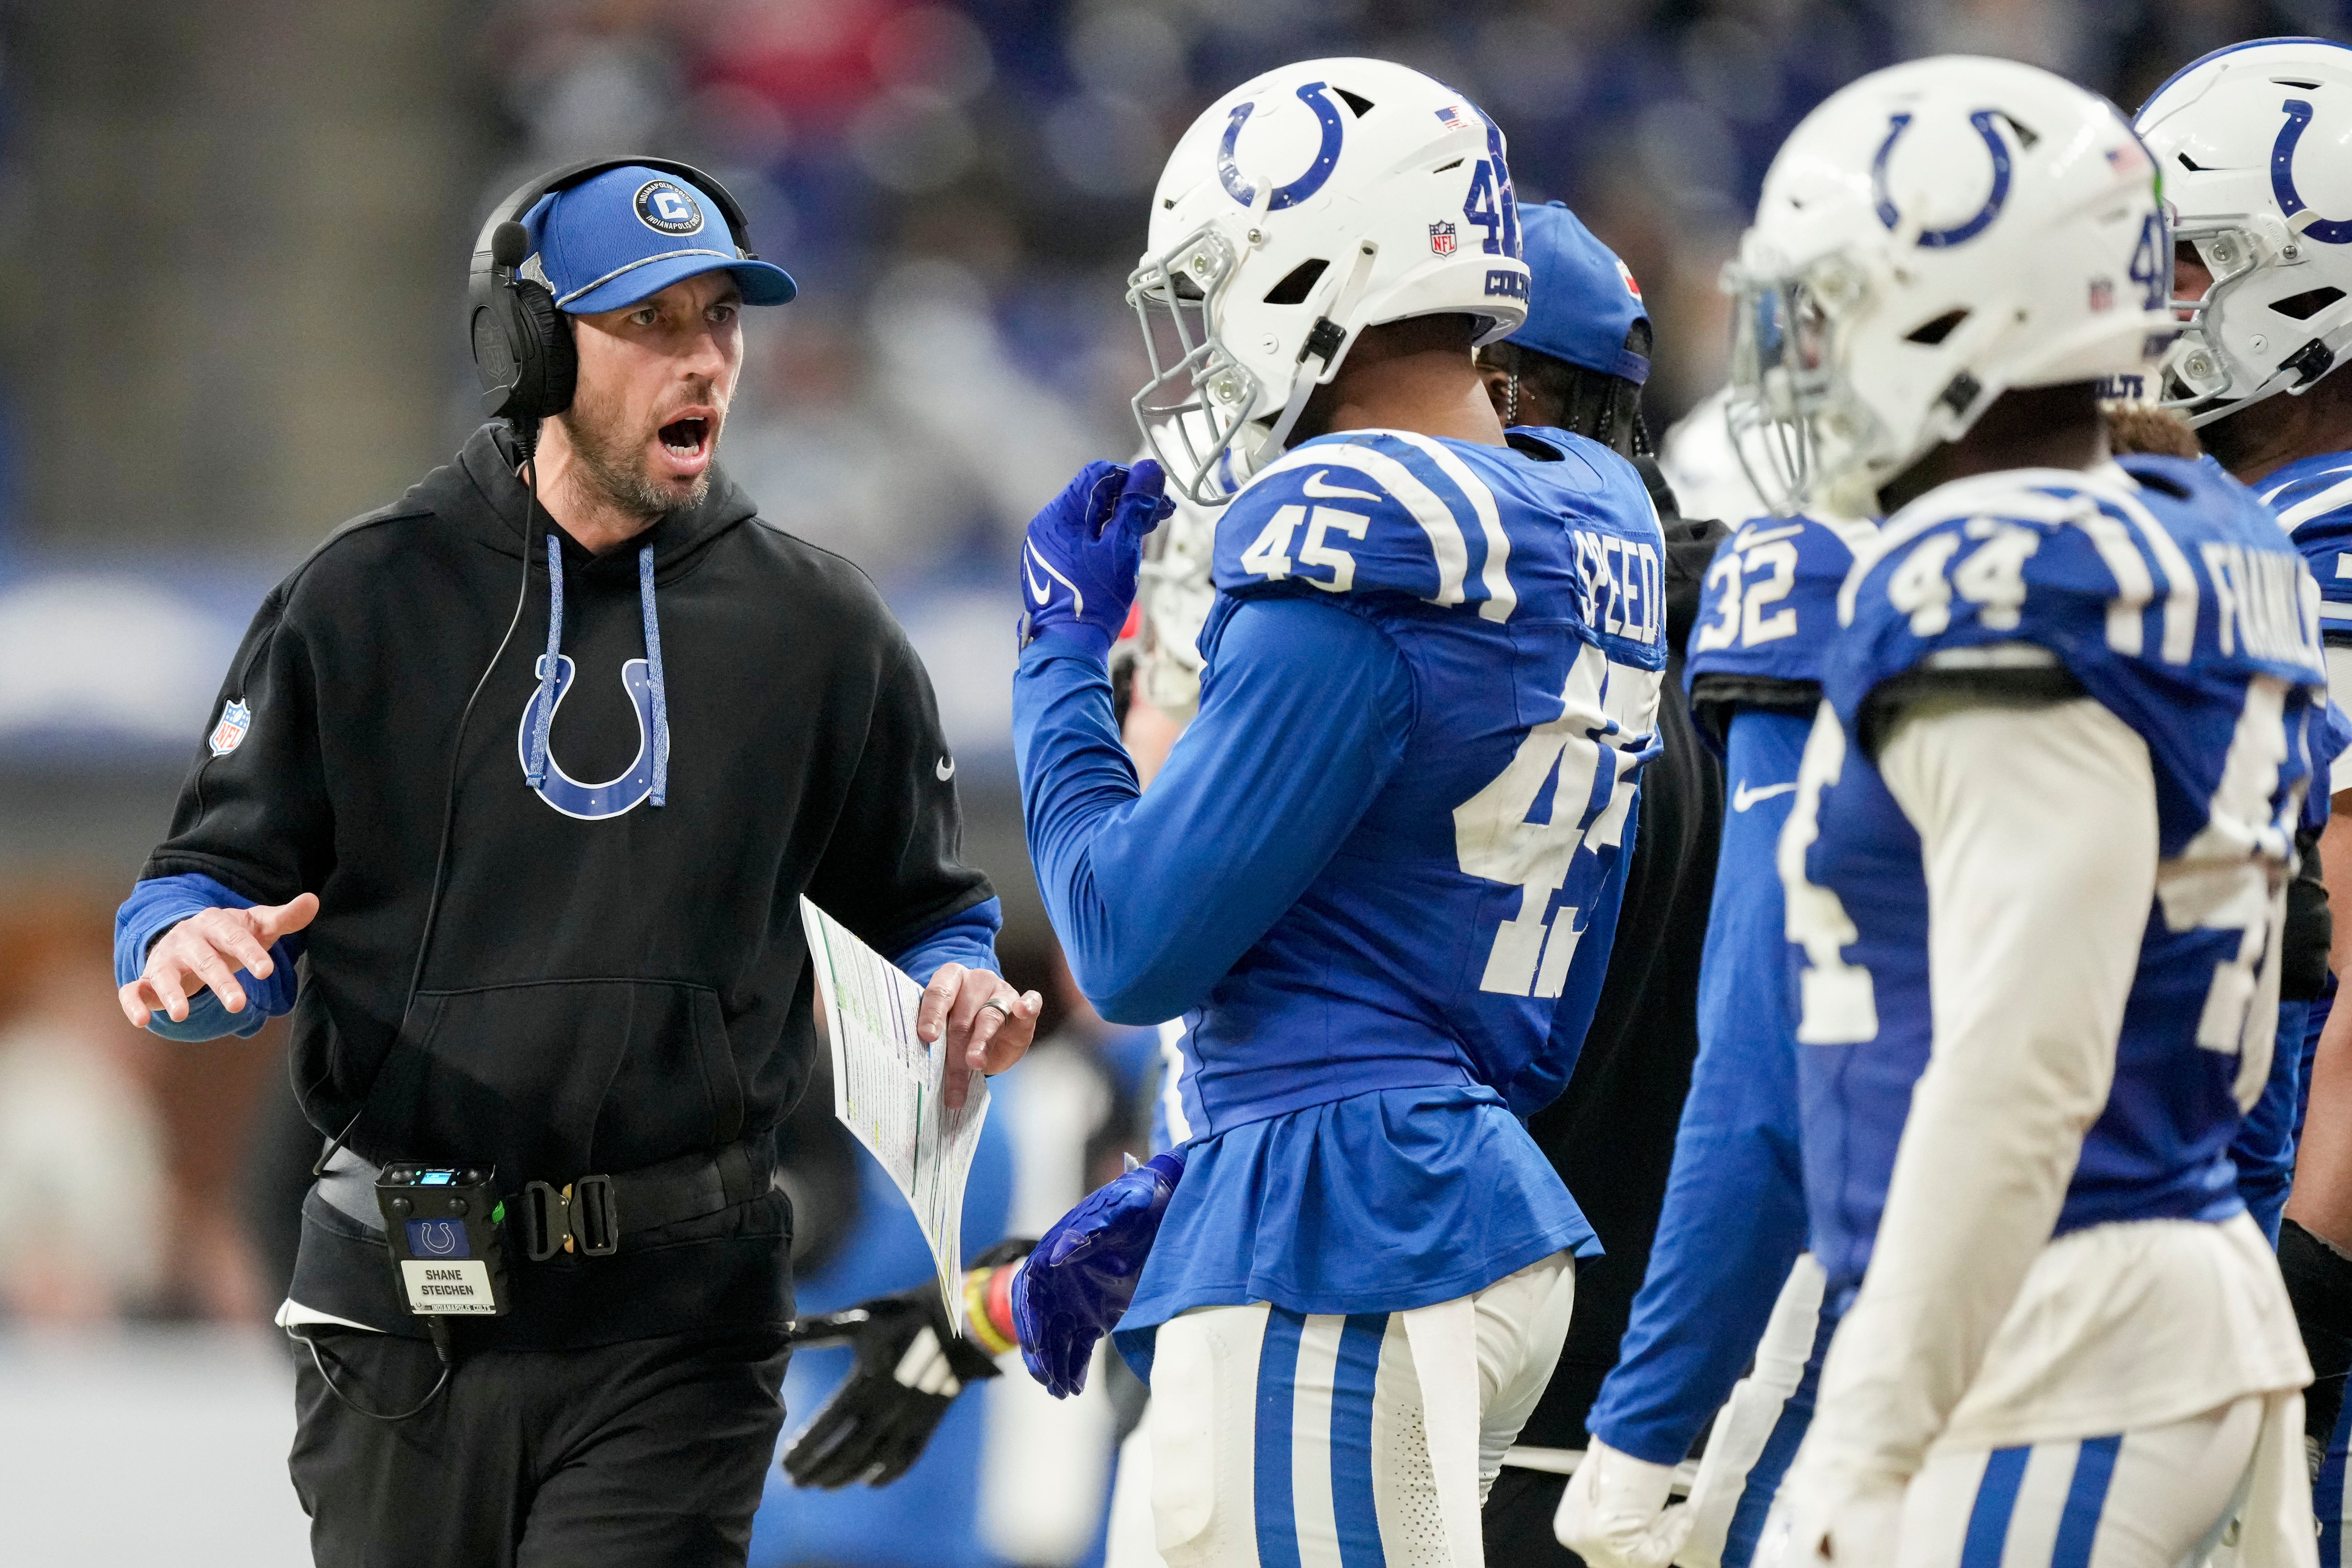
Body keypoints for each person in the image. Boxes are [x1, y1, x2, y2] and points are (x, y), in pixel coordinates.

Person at [109, 158, 1039, 1568]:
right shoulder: (363, 596)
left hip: (681, 1319)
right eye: (649, 322)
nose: (703, 360)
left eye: (718, 319)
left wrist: (957, 985)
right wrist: (185, 951)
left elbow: (926, 908)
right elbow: (198, 881)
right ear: (533, 346)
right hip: (401, 1313)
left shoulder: (820, 628)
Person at [1010, 56, 1668, 1567]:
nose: (1196, 338)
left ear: (1321, 263)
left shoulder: (1357, 527)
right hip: (1432, 1182)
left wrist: (1056, 656)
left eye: (1213, 281)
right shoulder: (1583, 511)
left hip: (1347, 1223)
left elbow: (1120, 944)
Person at [1708, 58, 2324, 1566]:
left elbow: (2021, 1058)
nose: (1800, 356)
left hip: (2055, 1312)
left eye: (1831, 305)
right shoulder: (2204, 536)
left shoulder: (1997, 561)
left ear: (1962, 315)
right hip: (2177, 1282)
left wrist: (1863, 1431)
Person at [1458, 200, 1739, 1563]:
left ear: (1502, 387)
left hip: (1471, 1404)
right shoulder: (1753, 653)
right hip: (1690, 1409)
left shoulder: (1468, 655)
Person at [2137, 41, 2352, 1562]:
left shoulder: (2311, 539)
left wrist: (2293, 1299)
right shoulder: (2254, 521)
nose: (2155, 307)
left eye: (2192, 260)